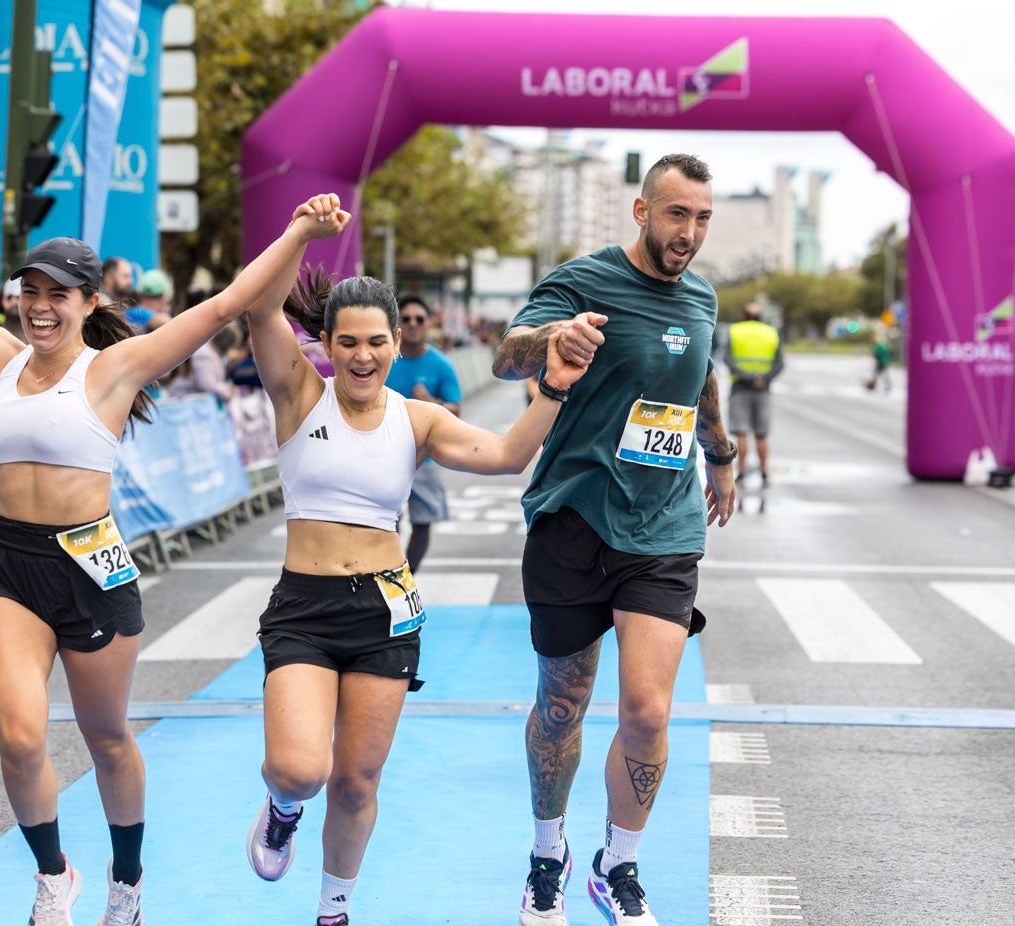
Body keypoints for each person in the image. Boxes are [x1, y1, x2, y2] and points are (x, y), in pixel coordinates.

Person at [0, 155, 347, 926]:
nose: (39, 309)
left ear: (88, 303)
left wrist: (296, 232)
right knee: (18, 737)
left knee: (107, 736)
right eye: (30, 293)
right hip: (10, 565)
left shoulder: (116, 367)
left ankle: (126, 883)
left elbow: (225, 305)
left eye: (58, 296)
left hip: (89, 566)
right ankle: (55, 876)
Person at [240, 233, 601, 926]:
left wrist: (554, 386)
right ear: (325, 343)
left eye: (376, 341)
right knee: (300, 770)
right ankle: (281, 810)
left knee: (355, 780)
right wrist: (298, 236)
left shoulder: (417, 418)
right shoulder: (297, 395)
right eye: (347, 342)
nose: (364, 356)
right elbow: (259, 312)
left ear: (395, 342)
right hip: (303, 608)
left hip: (383, 611)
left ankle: (332, 908)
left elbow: (502, 455)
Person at [491, 153, 736, 926]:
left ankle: (616, 863)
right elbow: (505, 354)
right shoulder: (585, 280)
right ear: (640, 211)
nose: (687, 233)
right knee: (561, 706)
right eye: (675, 215)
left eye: (700, 218)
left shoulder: (701, 296)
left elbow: (700, 377)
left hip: (662, 527)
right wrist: (552, 339)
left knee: (646, 712)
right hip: (575, 518)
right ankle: (546, 852)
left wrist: (721, 455)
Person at [383, 294, 462, 572]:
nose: (413, 323)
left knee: (422, 522)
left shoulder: (441, 365)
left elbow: (456, 410)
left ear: (429, 324)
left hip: (425, 459)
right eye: (406, 319)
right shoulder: (384, 359)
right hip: (383, 458)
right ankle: (384, 576)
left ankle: (407, 579)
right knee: (384, 524)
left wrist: (433, 403)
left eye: (419, 319)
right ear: (397, 326)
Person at [724, 301, 783, 487]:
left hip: (740, 387)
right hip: (763, 389)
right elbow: (779, 362)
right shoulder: (771, 333)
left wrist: (747, 377)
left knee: (741, 433)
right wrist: (763, 379)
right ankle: (764, 471)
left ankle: (741, 472)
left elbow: (727, 358)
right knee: (761, 434)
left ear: (743, 315)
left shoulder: (735, 331)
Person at [865, 329, 893, 394]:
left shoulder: (880, 345)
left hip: (881, 362)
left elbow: (878, 354)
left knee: (880, 374)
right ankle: (874, 386)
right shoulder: (882, 345)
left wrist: (875, 358)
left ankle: (876, 386)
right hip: (883, 362)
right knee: (879, 374)